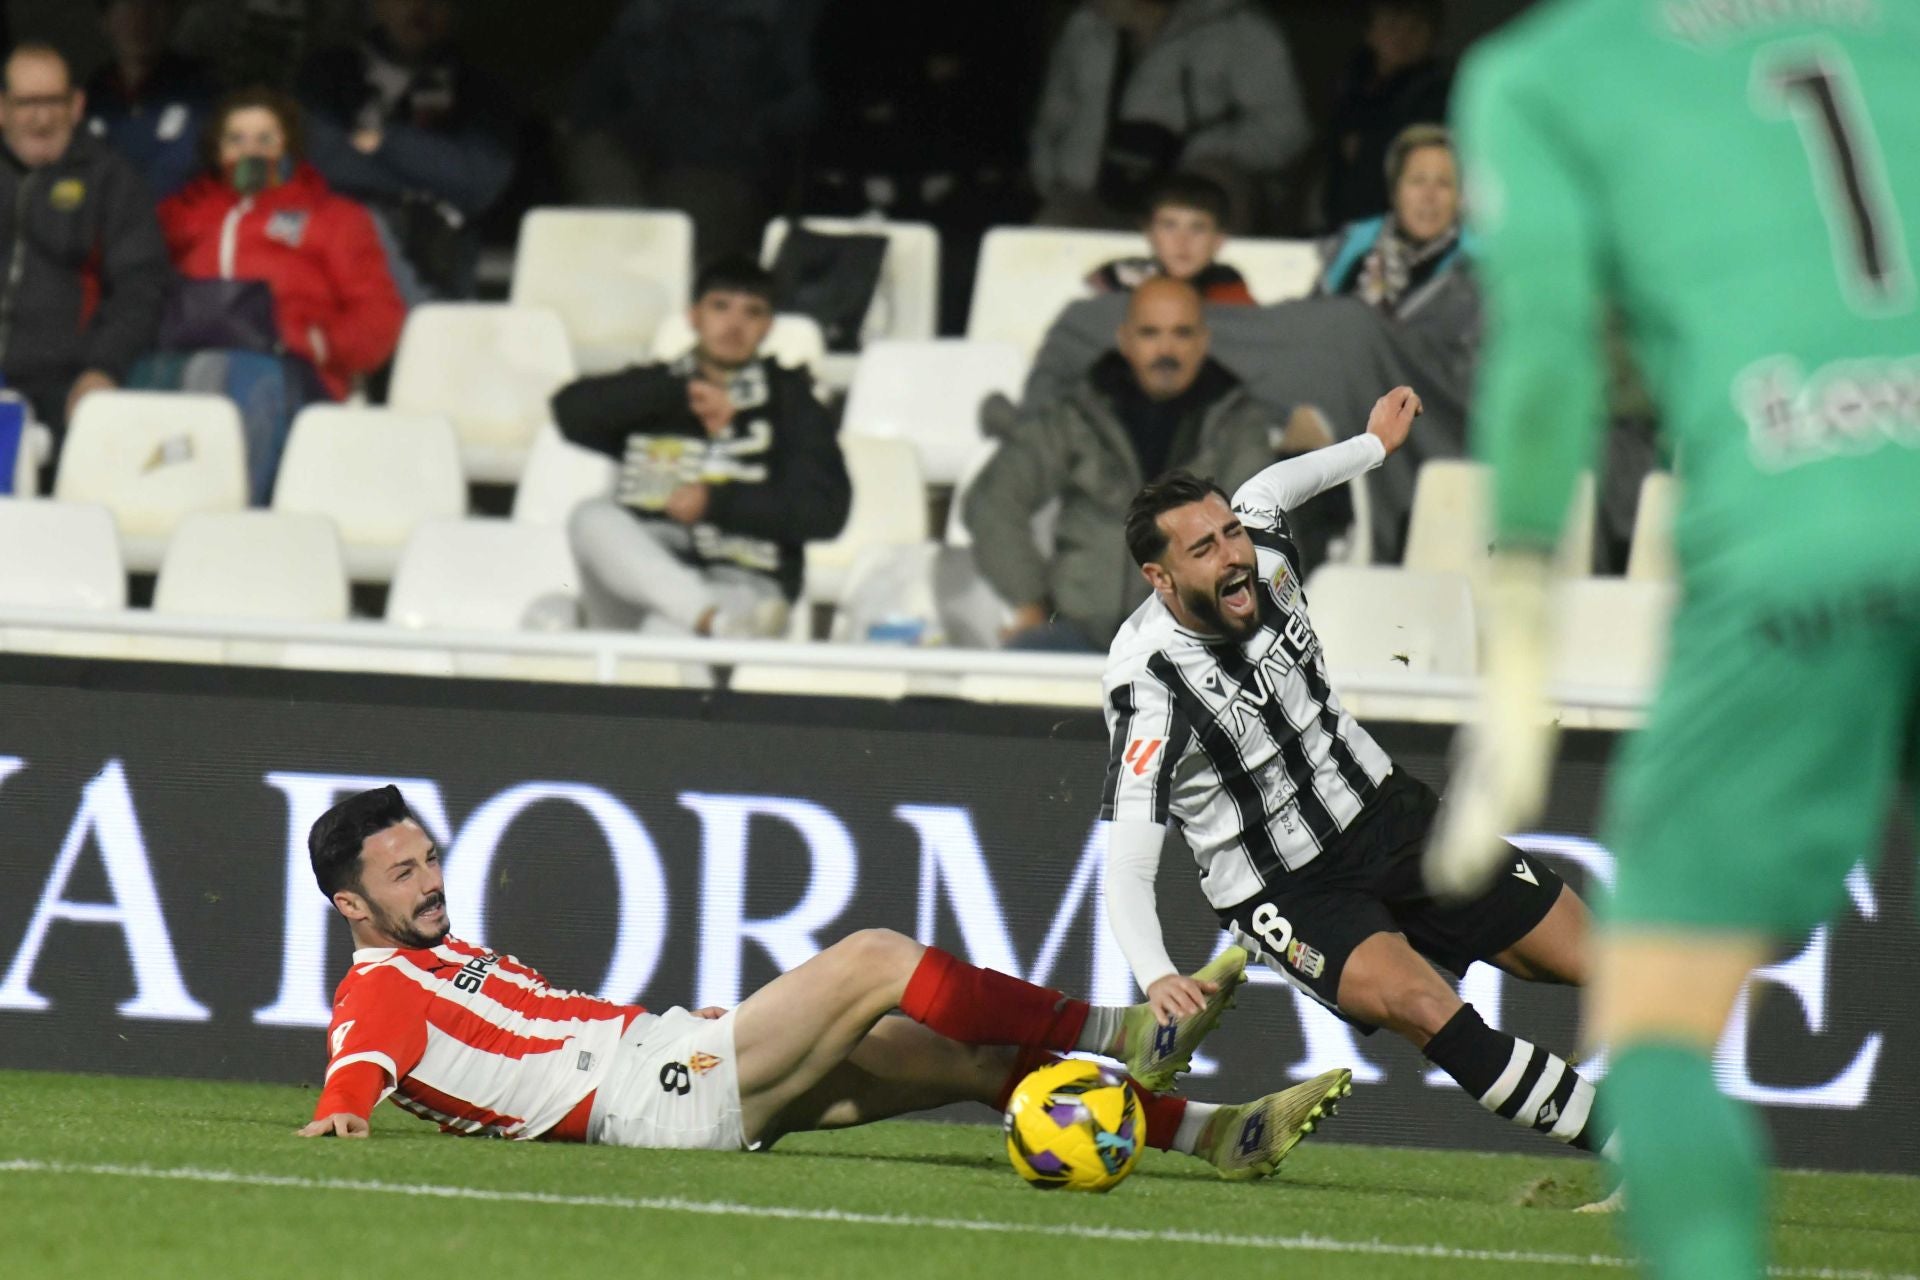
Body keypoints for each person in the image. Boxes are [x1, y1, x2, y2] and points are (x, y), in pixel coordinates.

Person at [1428, 3, 1920, 1275]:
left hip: (1790, 543)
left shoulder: (1552, 72)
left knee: (1652, 1013)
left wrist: (1520, 631)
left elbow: (1545, 359)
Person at [297, 784, 1354, 1180]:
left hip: (667, 1065)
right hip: (648, 1091)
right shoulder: (383, 984)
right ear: (352, 906)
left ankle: (1215, 1131)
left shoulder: (443, 953)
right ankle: (1119, 1030)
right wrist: (344, 1114)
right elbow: (361, 1063)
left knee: (965, 1060)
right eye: (403, 873)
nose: (431, 881)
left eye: (429, 855)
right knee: (876, 957)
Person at [1098, 387, 1622, 1174]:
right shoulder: (1148, 687)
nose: (1232, 553)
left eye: (1230, 534)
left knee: (1597, 956)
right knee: (1423, 1006)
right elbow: (1127, 863)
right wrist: (1157, 975)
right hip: (1285, 887)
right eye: (1202, 549)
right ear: (1159, 578)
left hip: (1385, 812)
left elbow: (1276, 488)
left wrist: (1373, 446)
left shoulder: (1264, 552)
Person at [963, 277, 1277, 652]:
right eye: (1150, 333)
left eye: (1181, 333)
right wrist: (1030, 602)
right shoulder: (1078, 412)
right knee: (1018, 668)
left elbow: (1258, 533)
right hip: (1078, 635)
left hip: (1196, 644)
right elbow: (995, 501)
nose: (1166, 349)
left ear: (1203, 342)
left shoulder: (1237, 424)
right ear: (1124, 339)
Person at [557, 258, 848, 639]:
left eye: (753, 312)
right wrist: (682, 391)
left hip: (742, 579)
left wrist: (715, 502)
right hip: (644, 574)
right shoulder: (662, 387)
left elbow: (825, 513)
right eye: (720, 307)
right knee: (589, 516)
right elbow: (569, 412)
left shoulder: (792, 404)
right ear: (694, 316)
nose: (734, 324)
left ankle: (707, 618)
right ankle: (710, 619)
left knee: (665, 631)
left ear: (768, 326)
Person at [157, 87, 406, 401]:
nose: (251, 152)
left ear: (288, 146)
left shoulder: (332, 217)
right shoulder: (182, 213)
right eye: (236, 139)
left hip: (292, 369)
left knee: (239, 377)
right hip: (191, 357)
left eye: (265, 139)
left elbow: (379, 314)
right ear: (218, 151)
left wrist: (317, 343)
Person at [0, 44, 171, 450]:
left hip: (62, 385)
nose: (41, 118)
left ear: (76, 105)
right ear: (2, 107)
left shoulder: (112, 180)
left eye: (53, 102)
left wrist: (102, 368)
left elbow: (141, 287)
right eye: (26, 103)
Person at [296, 0, 517, 299]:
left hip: (436, 275)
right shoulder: (329, 73)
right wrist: (429, 178)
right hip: (333, 265)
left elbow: (478, 182)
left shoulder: (481, 89)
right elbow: (318, 160)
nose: (420, 7)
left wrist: (380, 141)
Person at [1029, 0, 1310, 231]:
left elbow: (1286, 131)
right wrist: (1054, 177)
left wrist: (1200, 152)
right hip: (1094, 194)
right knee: (1045, 243)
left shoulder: (1237, 28)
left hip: (1192, 195)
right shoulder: (1085, 26)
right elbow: (1054, 116)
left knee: (1205, 212)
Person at [1319, 0, 1450, 232]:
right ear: (1370, 32)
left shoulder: (1435, 93)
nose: (1403, 37)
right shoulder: (1352, 82)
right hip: (1344, 223)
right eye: (1392, 26)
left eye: (1415, 28)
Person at [85, 0, 220, 201]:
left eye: (152, 7)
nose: (141, 19)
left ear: (172, 17)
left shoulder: (205, 94)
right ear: (105, 20)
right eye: (129, 8)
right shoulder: (90, 99)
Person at [1087, 171, 1256, 305]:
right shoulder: (1123, 276)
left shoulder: (1226, 283)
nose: (1182, 241)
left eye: (1198, 228)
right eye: (1169, 226)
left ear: (1219, 240)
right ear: (1149, 233)